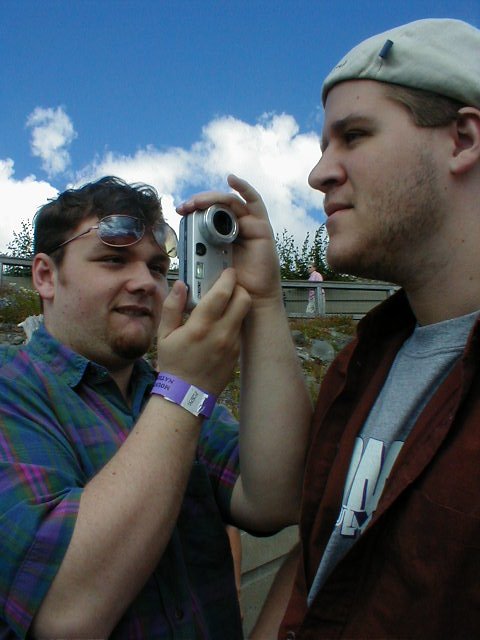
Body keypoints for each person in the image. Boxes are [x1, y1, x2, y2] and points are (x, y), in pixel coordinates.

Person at [0, 175, 312, 639]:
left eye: (157, 266)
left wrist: (264, 300)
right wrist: (183, 391)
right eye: (113, 259)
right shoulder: (13, 390)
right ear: (46, 276)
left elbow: (276, 499)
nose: (145, 282)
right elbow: (66, 612)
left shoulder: (163, 390)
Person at [274, 17, 479, 639]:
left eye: (354, 135)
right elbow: (316, 561)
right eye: (323, 145)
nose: (319, 174)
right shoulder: (360, 362)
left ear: (463, 139)